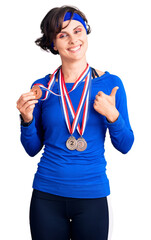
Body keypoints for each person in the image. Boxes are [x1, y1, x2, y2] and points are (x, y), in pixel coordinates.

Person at [16, 5, 134, 240]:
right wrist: (26, 120)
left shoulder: (110, 84)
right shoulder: (43, 87)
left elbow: (126, 144)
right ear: (53, 43)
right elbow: (31, 149)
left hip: (92, 195)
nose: (73, 40)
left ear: (86, 33)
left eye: (78, 31)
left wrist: (113, 116)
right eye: (63, 35)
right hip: (46, 195)